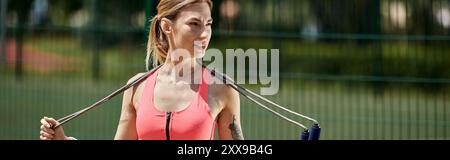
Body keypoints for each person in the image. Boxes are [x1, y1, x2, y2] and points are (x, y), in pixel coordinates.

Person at [39, 0, 243, 140]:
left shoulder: (223, 88)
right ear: (167, 26)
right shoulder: (137, 87)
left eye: (208, 24)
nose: (204, 34)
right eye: (194, 24)